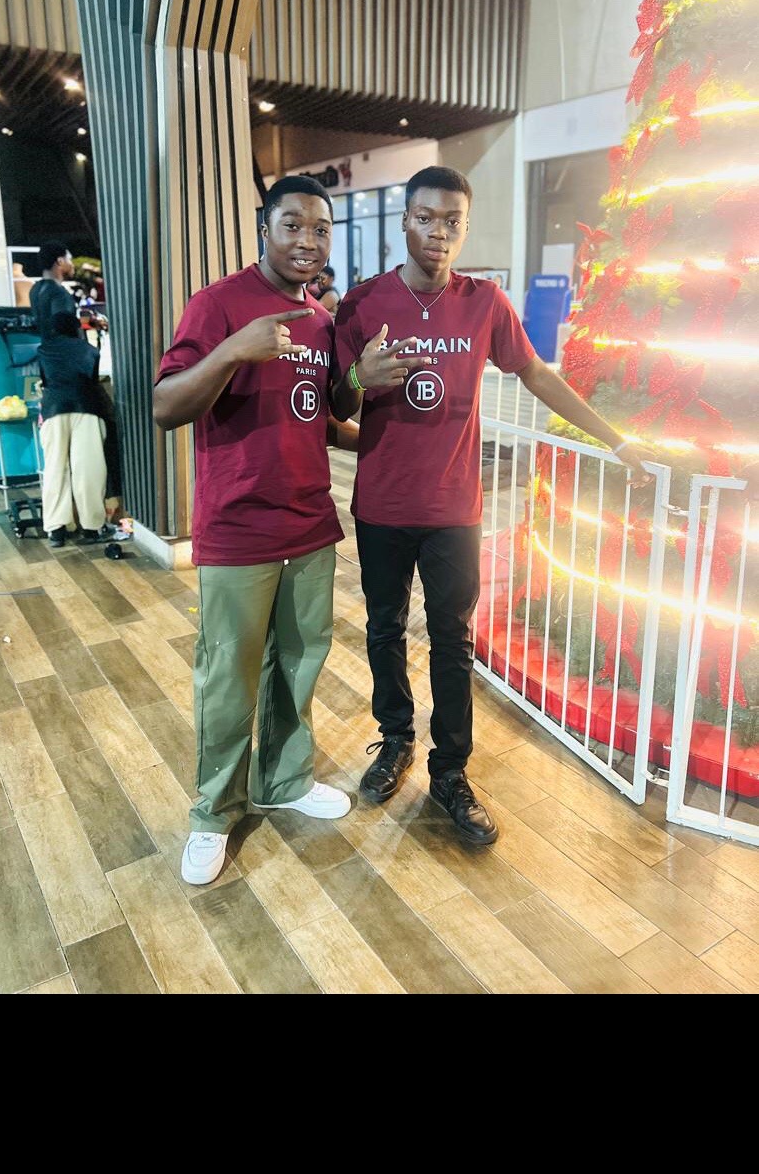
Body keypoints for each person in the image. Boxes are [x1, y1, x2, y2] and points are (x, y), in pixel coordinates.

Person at [331, 165, 650, 848]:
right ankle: (395, 739)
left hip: (455, 508)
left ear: (465, 227)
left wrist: (615, 438)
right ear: (404, 221)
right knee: (385, 627)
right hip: (382, 502)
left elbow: (536, 374)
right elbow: (336, 401)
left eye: (451, 221)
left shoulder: (484, 303)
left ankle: (450, 772)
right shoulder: (361, 304)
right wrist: (361, 375)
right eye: (425, 218)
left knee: (453, 640)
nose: (438, 232)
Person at [153, 174, 354, 889]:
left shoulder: (322, 322)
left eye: (321, 229)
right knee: (227, 681)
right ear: (264, 229)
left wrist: (389, 428)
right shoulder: (218, 304)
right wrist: (233, 350)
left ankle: (285, 779)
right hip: (237, 527)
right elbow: (165, 406)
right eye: (292, 225)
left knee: (298, 665)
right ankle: (214, 812)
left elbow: (318, 418)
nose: (308, 241)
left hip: (310, 523)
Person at [37, 310, 108, 549]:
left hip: (53, 409)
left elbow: (46, 382)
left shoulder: (43, 350)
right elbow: (92, 382)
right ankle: (92, 527)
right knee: (89, 468)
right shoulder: (90, 350)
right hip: (86, 408)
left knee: (55, 468)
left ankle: (56, 529)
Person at [29, 242, 77, 340]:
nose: (72, 264)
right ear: (60, 261)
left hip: (45, 346)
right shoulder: (58, 293)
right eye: (69, 259)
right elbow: (63, 328)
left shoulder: (35, 288)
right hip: (61, 348)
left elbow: (45, 321)